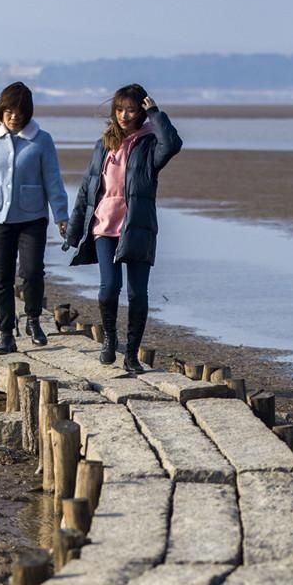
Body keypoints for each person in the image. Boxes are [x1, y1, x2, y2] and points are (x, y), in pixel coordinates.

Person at [66, 84, 182, 372]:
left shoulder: (150, 146)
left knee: (136, 293)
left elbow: (173, 144)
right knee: (108, 288)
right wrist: (74, 229)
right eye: (119, 109)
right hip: (104, 224)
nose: (124, 115)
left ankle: (131, 354)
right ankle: (109, 340)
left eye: (131, 109)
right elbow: (86, 189)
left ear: (140, 111)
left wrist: (155, 112)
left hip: (137, 226)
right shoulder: (103, 145)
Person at [0, 81, 69, 354]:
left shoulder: (42, 140)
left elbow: (53, 180)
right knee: (2, 278)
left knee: (32, 271)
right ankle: (6, 332)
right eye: (8, 110)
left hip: (33, 216)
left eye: (19, 111)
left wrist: (61, 215)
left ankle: (33, 320)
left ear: (28, 113)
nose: (13, 116)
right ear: (0, 110)